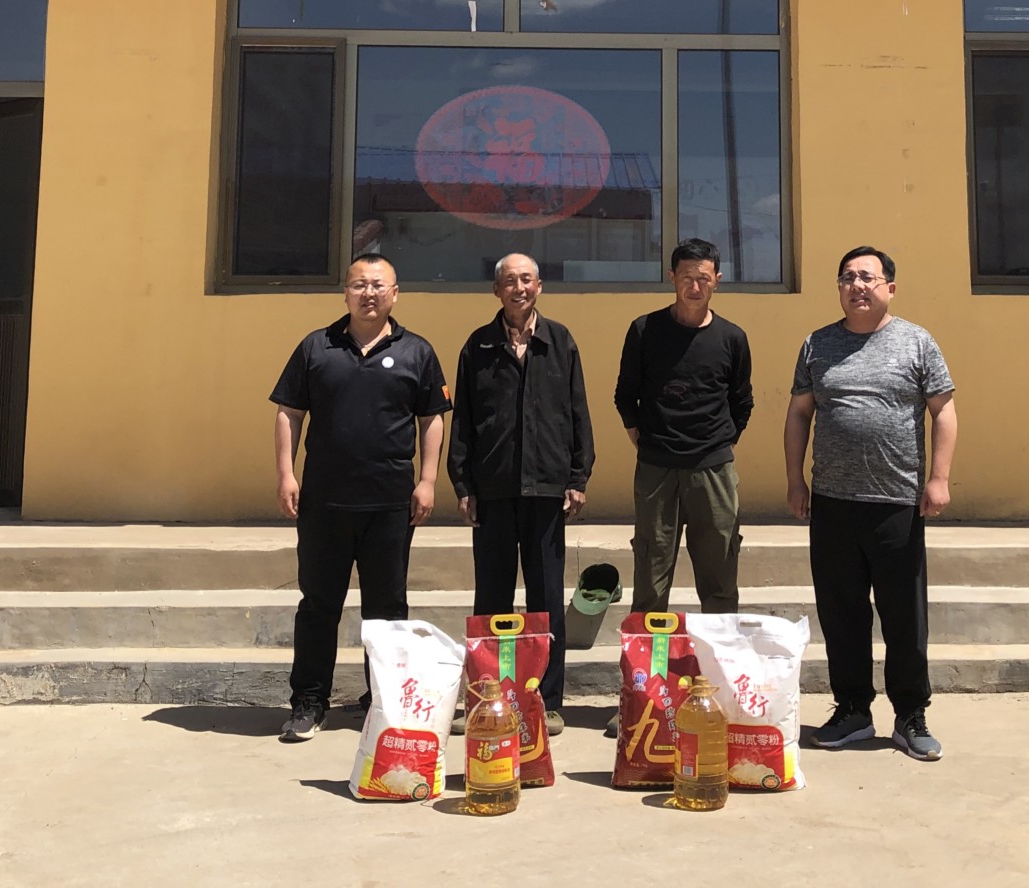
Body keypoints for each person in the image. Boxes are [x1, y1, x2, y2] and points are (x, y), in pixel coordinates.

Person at [785, 244, 957, 763]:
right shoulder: (817, 344)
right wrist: (795, 480)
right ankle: (853, 710)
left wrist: (939, 479)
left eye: (867, 277)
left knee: (904, 616)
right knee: (842, 614)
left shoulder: (916, 341)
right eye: (847, 278)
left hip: (896, 502)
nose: (856, 286)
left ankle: (910, 715)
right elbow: (799, 414)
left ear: (890, 288)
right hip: (833, 503)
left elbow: (944, 411)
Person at [270, 253, 448, 742]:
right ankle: (309, 702)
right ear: (345, 292)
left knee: (387, 610)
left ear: (395, 293)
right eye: (359, 285)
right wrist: (286, 475)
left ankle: (384, 700)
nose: (369, 293)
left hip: (390, 503)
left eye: (378, 285)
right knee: (318, 605)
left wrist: (427, 480)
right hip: (324, 502)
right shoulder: (316, 347)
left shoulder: (417, 351)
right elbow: (289, 412)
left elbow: (432, 418)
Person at [448, 252, 594, 736]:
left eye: (526, 279)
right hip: (492, 490)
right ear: (496, 290)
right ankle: (486, 696)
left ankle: (547, 701)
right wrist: (463, 484)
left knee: (545, 598)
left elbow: (578, 413)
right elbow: (464, 421)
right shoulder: (478, 346)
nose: (518, 288)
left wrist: (578, 477)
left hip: (547, 489)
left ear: (539, 286)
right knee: (491, 598)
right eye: (509, 281)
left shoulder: (560, 342)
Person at [615, 238, 754, 616]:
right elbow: (626, 396)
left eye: (704, 278)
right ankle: (648, 655)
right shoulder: (645, 330)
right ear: (672, 277)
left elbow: (742, 402)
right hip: (656, 468)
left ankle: (718, 650)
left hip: (713, 469)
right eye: (687, 277)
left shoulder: (732, 338)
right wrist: (645, 440)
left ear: (717, 280)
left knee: (720, 573)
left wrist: (719, 444)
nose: (695, 286)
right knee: (651, 573)